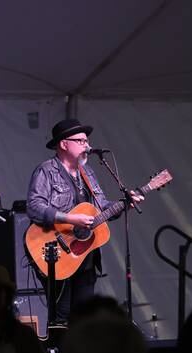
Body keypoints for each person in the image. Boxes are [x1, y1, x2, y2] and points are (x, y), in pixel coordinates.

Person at [26, 118, 143, 322]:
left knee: (85, 319)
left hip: (85, 258)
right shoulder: (46, 171)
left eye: (87, 141)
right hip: (56, 254)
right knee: (61, 318)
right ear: (63, 144)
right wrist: (71, 219)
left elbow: (102, 206)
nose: (87, 146)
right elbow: (34, 208)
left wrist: (125, 204)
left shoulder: (87, 173)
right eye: (81, 141)